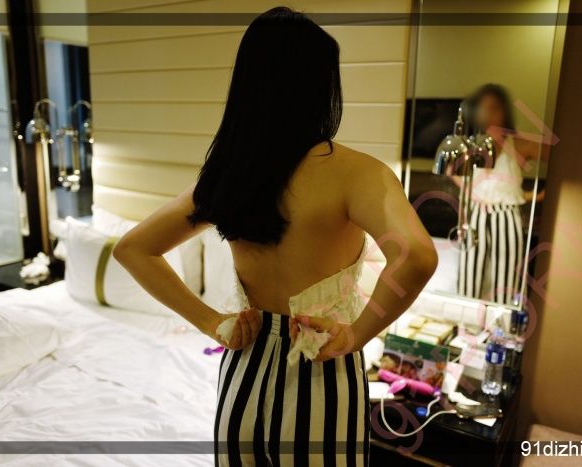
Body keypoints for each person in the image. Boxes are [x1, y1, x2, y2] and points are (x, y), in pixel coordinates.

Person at [113, 7, 438, 466]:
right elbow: (418, 256)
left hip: (243, 373)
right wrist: (357, 334)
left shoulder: (228, 176)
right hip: (321, 374)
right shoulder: (358, 174)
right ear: (321, 86)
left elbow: (132, 248)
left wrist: (210, 321)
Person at [457, 83, 544, 305]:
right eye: (483, 108)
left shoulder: (519, 144)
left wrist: (533, 196)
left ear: (504, 110)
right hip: (476, 213)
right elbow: (450, 169)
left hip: (506, 213)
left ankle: (501, 322)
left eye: (494, 107)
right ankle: (465, 320)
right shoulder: (469, 144)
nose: (488, 113)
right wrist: (470, 191)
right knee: (469, 272)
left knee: (506, 273)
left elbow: (560, 156)